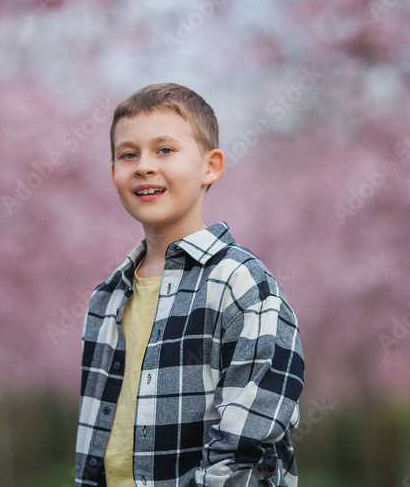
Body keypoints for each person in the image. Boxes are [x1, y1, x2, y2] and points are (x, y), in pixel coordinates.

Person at [75, 82, 305, 486]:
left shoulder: (240, 285)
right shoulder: (105, 300)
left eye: (164, 150)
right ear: (113, 173)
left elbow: (248, 447)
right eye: (128, 154)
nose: (144, 166)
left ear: (210, 166)